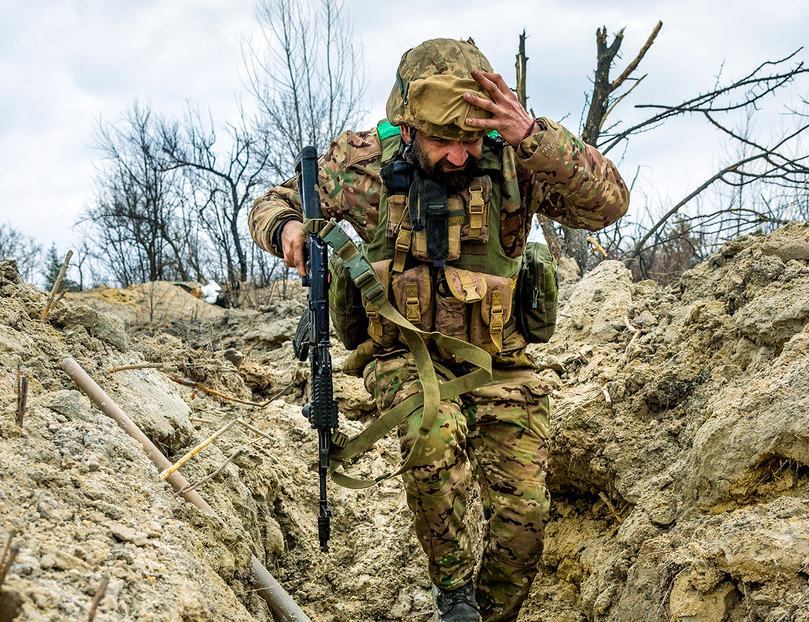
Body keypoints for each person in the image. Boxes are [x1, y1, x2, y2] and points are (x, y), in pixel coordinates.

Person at [248, 38, 629, 622]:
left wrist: (535, 138)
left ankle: (487, 613)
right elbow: (272, 202)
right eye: (442, 140)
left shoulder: (514, 160)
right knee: (431, 431)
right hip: (402, 355)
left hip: (499, 363)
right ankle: (452, 593)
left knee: (525, 520)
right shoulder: (362, 166)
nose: (458, 156)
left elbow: (608, 204)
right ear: (407, 127)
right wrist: (287, 227)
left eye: (470, 139)